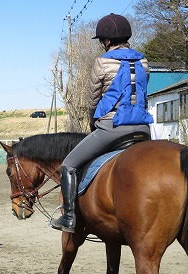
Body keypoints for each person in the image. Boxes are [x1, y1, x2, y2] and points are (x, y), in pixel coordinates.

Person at [50, 13, 153, 233]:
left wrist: (92, 123)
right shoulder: (143, 60)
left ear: (106, 40)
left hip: (112, 128)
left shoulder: (102, 62)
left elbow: (93, 100)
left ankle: (69, 218)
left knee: (69, 164)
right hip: (144, 129)